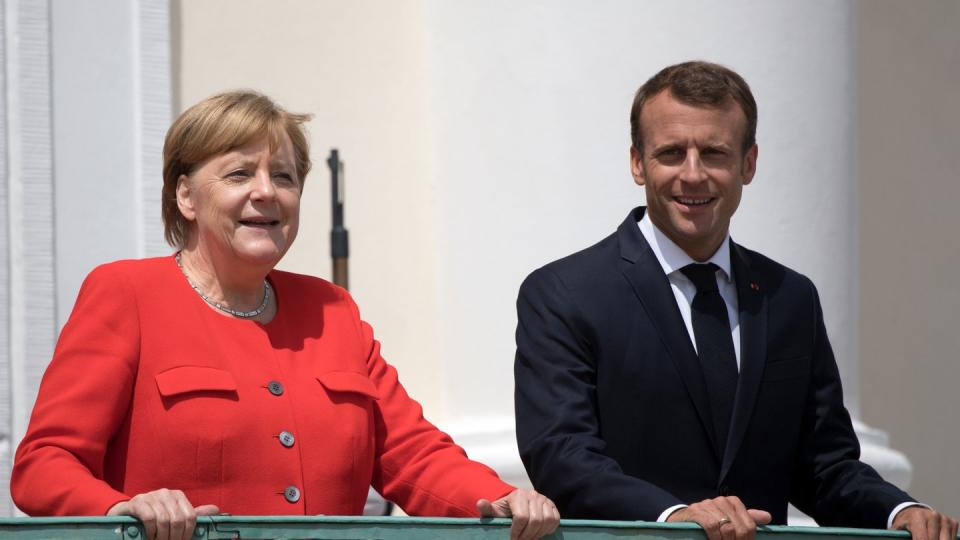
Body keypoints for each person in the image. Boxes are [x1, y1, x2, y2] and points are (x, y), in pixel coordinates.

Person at [12, 90, 559, 540]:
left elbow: (411, 453)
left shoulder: (331, 309)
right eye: (238, 174)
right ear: (186, 195)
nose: (266, 193)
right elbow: (44, 464)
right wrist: (124, 507)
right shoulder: (127, 292)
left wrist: (504, 500)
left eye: (286, 177)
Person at [513, 61, 957, 540]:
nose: (693, 174)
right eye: (670, 152)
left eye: (714, 152)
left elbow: (824, 466)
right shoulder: (564, 293)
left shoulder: (791, 298)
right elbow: (562, 455)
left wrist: (899, 511)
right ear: (638, 163)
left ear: (748, 163)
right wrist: (673, 516)